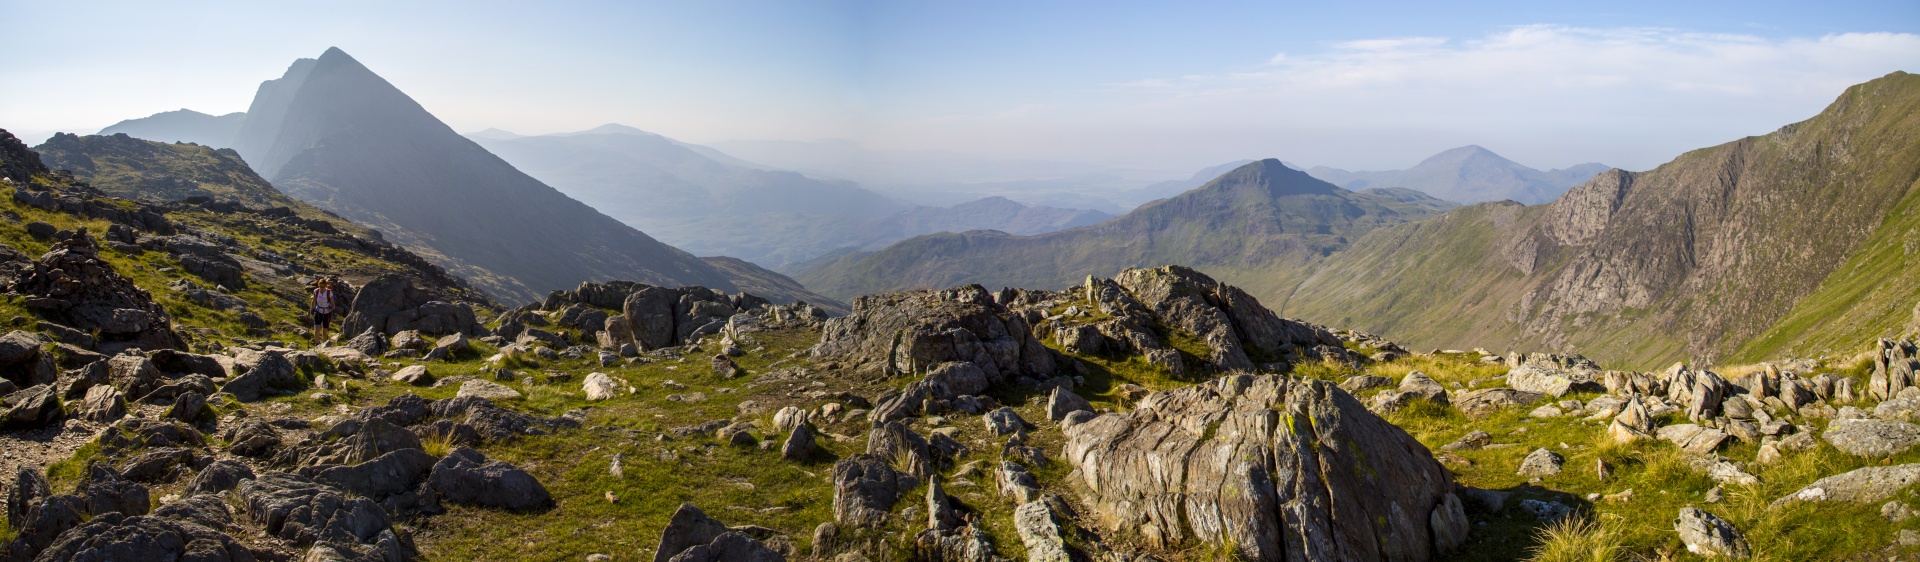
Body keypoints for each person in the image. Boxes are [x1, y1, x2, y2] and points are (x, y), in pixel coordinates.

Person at [312, 279, 337, 345]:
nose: (321, 288)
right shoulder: (316, 291)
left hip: (327, 313)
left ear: (326, 286)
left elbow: (333, 305)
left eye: (323, 287)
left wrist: (330, 309)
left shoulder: (329, 293)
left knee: (324, 332)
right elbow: (314, 301)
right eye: (320, 286)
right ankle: (316, 344)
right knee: (317, 330)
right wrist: (311, 309)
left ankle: (324, 346)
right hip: (318, 311)